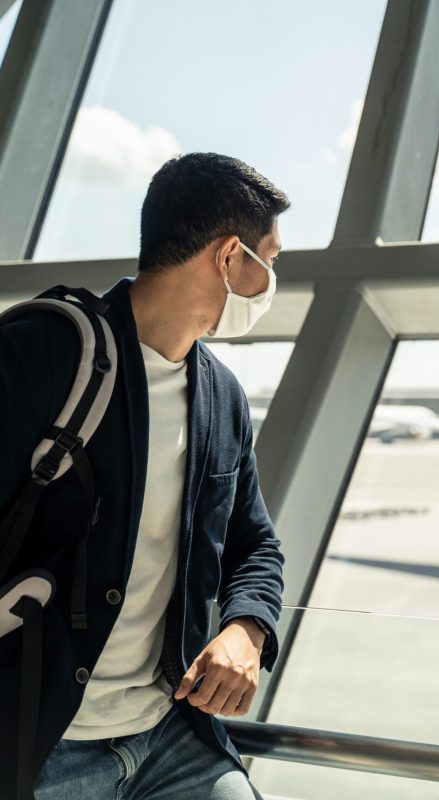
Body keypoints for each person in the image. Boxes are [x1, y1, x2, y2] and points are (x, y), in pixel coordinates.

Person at [0, 152, 289, 799]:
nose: (273, 282)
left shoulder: (221, 396)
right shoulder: (44, 354)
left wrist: (247, 628)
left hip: (170, 738)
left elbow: (255, 544)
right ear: (230, 257)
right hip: (38, 746)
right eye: (271, 260)